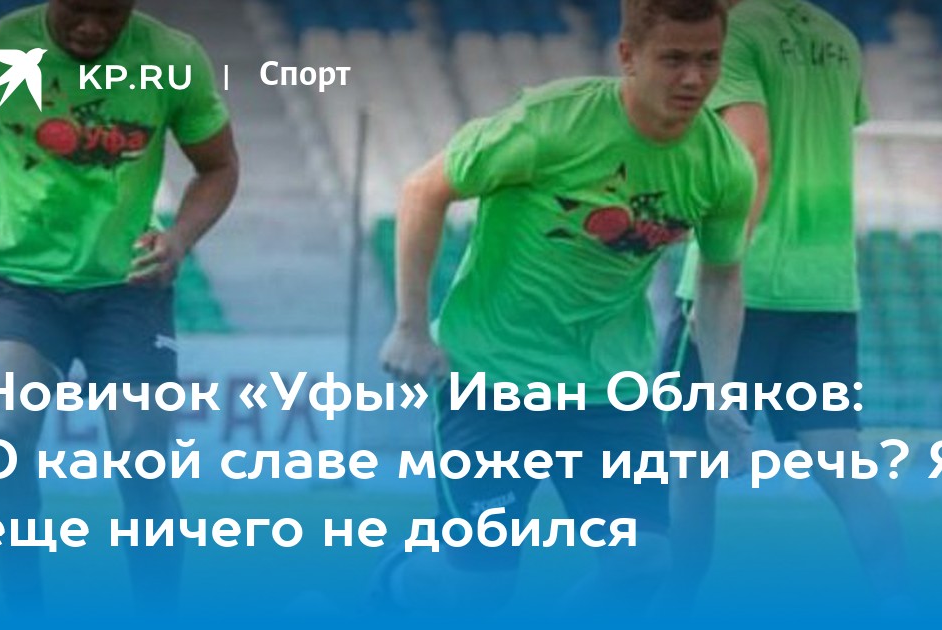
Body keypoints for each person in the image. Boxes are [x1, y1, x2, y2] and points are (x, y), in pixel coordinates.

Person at [377, 0, 754, 614]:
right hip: (492, 378)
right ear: (628, 56)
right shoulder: (551, 122)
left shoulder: (724, 165)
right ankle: (391, 586)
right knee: (479, 589)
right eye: (674, 59)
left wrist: (719, 394)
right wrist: (409, 327)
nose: (693, 78)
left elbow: (719, 279)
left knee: (643, 562)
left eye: (709, 60)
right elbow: (424, 189)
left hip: (609, 387)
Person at [0, 0, 238, 615]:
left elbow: (219, 165)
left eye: (110, 14)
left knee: (142, 454)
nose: (92, 27)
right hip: (20, 284)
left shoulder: (172, 58)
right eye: (77, 11)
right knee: (3, 436)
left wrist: (179, 238)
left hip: (129, 288)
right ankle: (25, 612)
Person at [661, 0, 909, 615]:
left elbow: (754, 153)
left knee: (687, 465)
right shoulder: (838, 37)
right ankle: (903, 607)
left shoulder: (734, 33)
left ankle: (669, 607)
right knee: (845, 466)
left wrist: (724, 265)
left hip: (743, 280)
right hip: (826, 283)